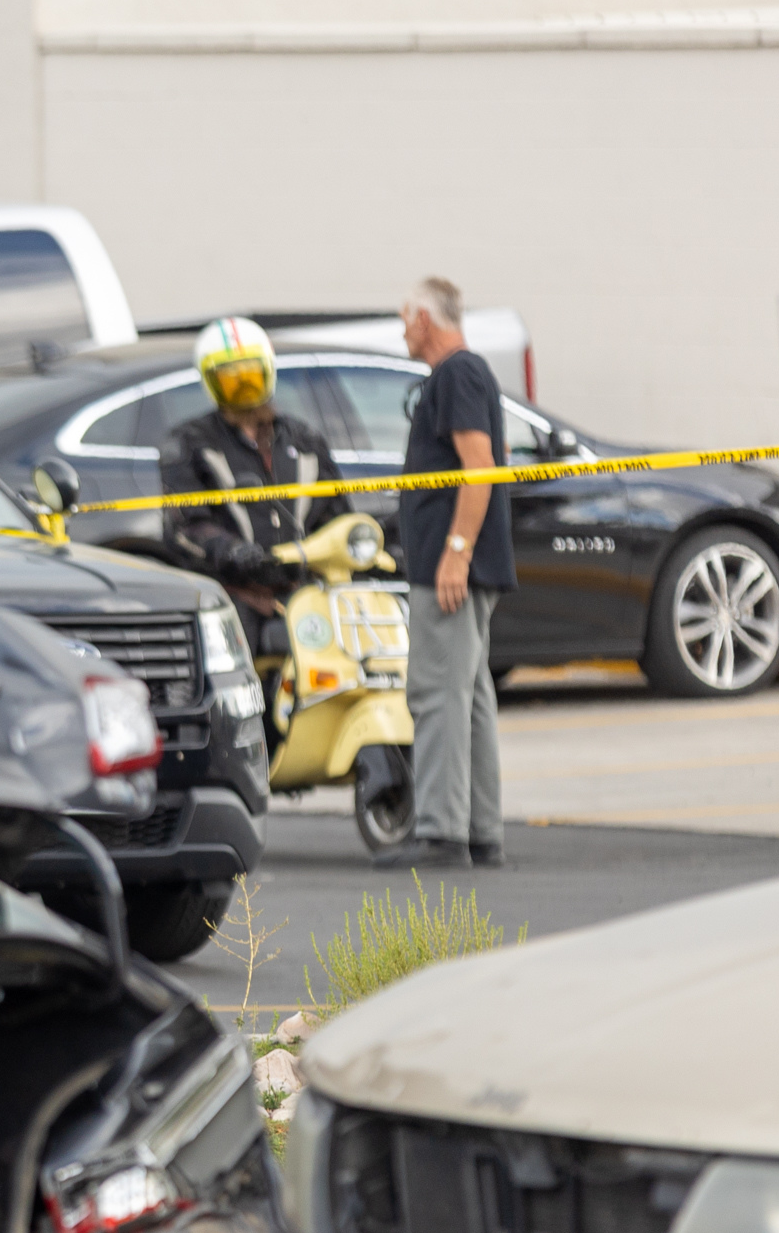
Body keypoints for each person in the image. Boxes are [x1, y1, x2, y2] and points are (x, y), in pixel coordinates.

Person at [385, 276, 514, 871]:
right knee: (471, 696)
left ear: (426, 320)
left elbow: (478, 465)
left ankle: (440, 833)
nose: (402, 329)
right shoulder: (468, 373)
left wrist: (456, 550)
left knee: (438, 692)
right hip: (464, 566)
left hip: (452, 569)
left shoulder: (458, 373)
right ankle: (479, 831)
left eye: (406, 318)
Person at [159, 317, 342, 658]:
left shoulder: (304, 439)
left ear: (269, 372)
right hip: (232, 593)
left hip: (303, 592)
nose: (243, 387)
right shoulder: (189, 442)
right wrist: (232, 551)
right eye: (231, 379)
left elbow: (336, 514)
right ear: (210, 383)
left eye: (251, 375)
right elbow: (183, 527)